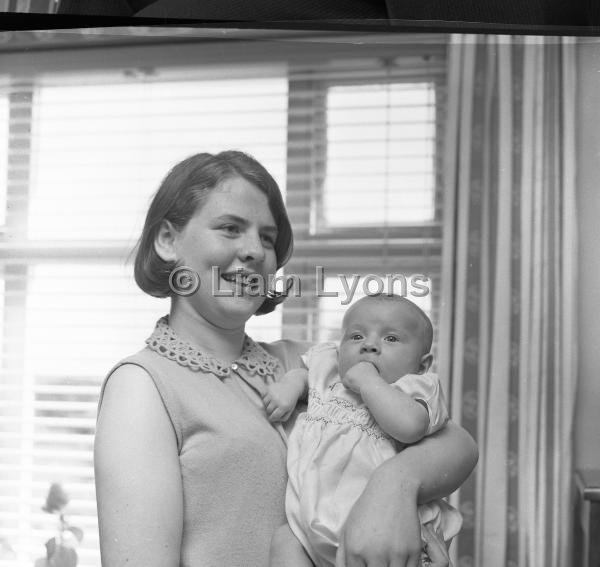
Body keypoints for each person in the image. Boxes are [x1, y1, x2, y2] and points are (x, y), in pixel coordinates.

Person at [94, 150, 478, 567]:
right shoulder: (143, 385)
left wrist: (396, 483)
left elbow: (454, 441)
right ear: (168, 241)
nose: (255, 251)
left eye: (267, 237)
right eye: (230, 228)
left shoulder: (310, 361)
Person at [264, 294, 463, 567]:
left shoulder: (414, 390)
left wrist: (369, 383)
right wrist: (289, 385)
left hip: (384, 528)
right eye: (356, 337)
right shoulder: (329, 371)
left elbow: (410, 427)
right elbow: (305, 375)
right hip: (310, 522)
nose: (369, 345)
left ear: (422, 365)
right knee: (285, 540)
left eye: (391, 338)